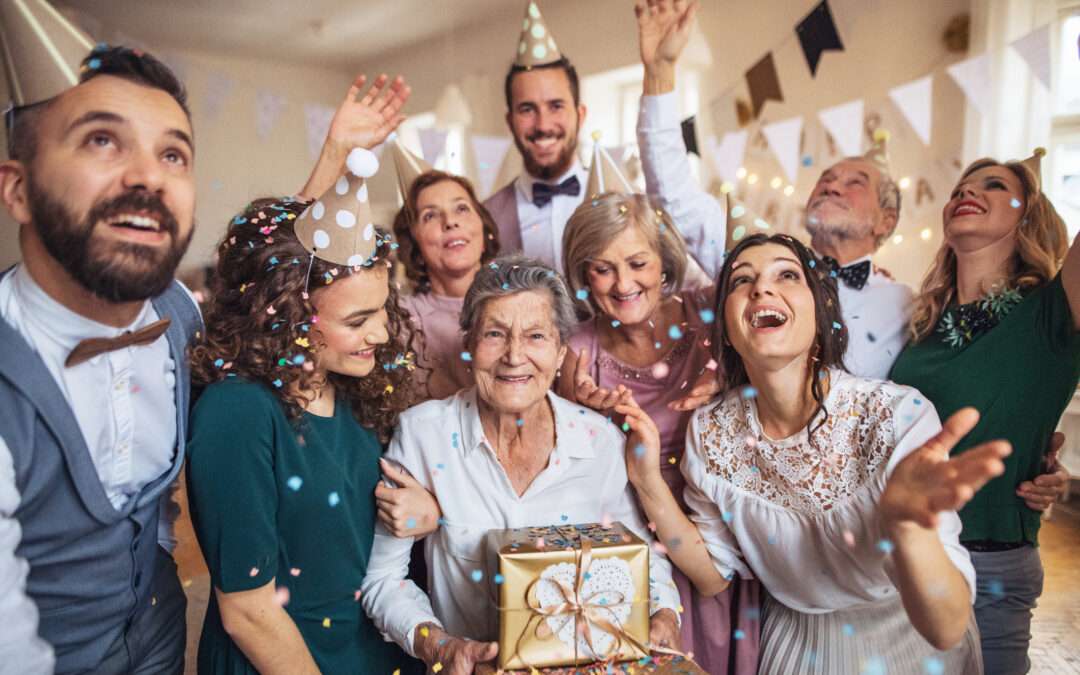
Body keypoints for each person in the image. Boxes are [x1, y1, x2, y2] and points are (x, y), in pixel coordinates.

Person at [622, 232, 1008, 674]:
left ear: (821, 310)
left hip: (910, 642)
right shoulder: (711, 431)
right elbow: (710, 576)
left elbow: (946, 628)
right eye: (741, 281)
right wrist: (646, 477)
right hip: (796, 648)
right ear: (726, 328)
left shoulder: (895, 415)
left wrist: (908, 528)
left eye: (787, 275)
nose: (762, 288)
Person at [185, 74, 426, 674]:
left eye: (384, 312)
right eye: (360, 320)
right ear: (293, 315)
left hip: (367, 651)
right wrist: (332, 157)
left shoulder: (352, 390)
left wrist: (424, 512)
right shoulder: (238, 412)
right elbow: (249, 611)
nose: (380, 334)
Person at [361, 255, 682, 675]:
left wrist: (666, 613)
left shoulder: (600, 441)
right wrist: (441, 648)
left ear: (561, 350)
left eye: (535, 336)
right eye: (495, 334)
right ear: (470, 344)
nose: (514, 356)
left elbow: (641, 557)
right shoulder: (424, 435)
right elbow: (383, 580)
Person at [0, 41, 198, 674]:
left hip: (163, 635)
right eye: (101, 141)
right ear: (19, 190)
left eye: (172, 153)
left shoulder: (180, 314)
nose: (148, 175)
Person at [633, 0, 910, 380]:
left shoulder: (909, 304)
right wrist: (659, 73)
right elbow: (674, 196)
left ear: (886, 220)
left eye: (854, 183)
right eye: (826, 178)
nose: (831, 185)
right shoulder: (761, 261)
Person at [889, 152, 1080, 675]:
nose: (966, 193)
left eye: (994, 185)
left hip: (990, 562)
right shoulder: (920, 322)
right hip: (902, 557)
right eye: (960, 188)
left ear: (1028, 215)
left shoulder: (1054, 311)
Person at [558, 191, 760, 673]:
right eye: (603, 268)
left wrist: (735, 369)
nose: (623, 283)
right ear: (584, 275)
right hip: (638, 555)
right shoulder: (575, 352)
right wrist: (584, 420)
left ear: (664, 261)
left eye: (637, 262)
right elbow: (571, 482)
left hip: (724, 539)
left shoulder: (712, 313)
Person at [483, 2, 587, 274]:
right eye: (527, 109)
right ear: (510, 121)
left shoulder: (617, 197)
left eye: (556, 106)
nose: (543, 125)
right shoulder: (486, 219)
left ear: (581, 115)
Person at [392, 169, 500, 400]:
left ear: (484, 229)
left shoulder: (523, 303)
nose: (450, 222)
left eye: (461, 208)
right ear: (414, 245)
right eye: (430, 216)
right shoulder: (401, 322)